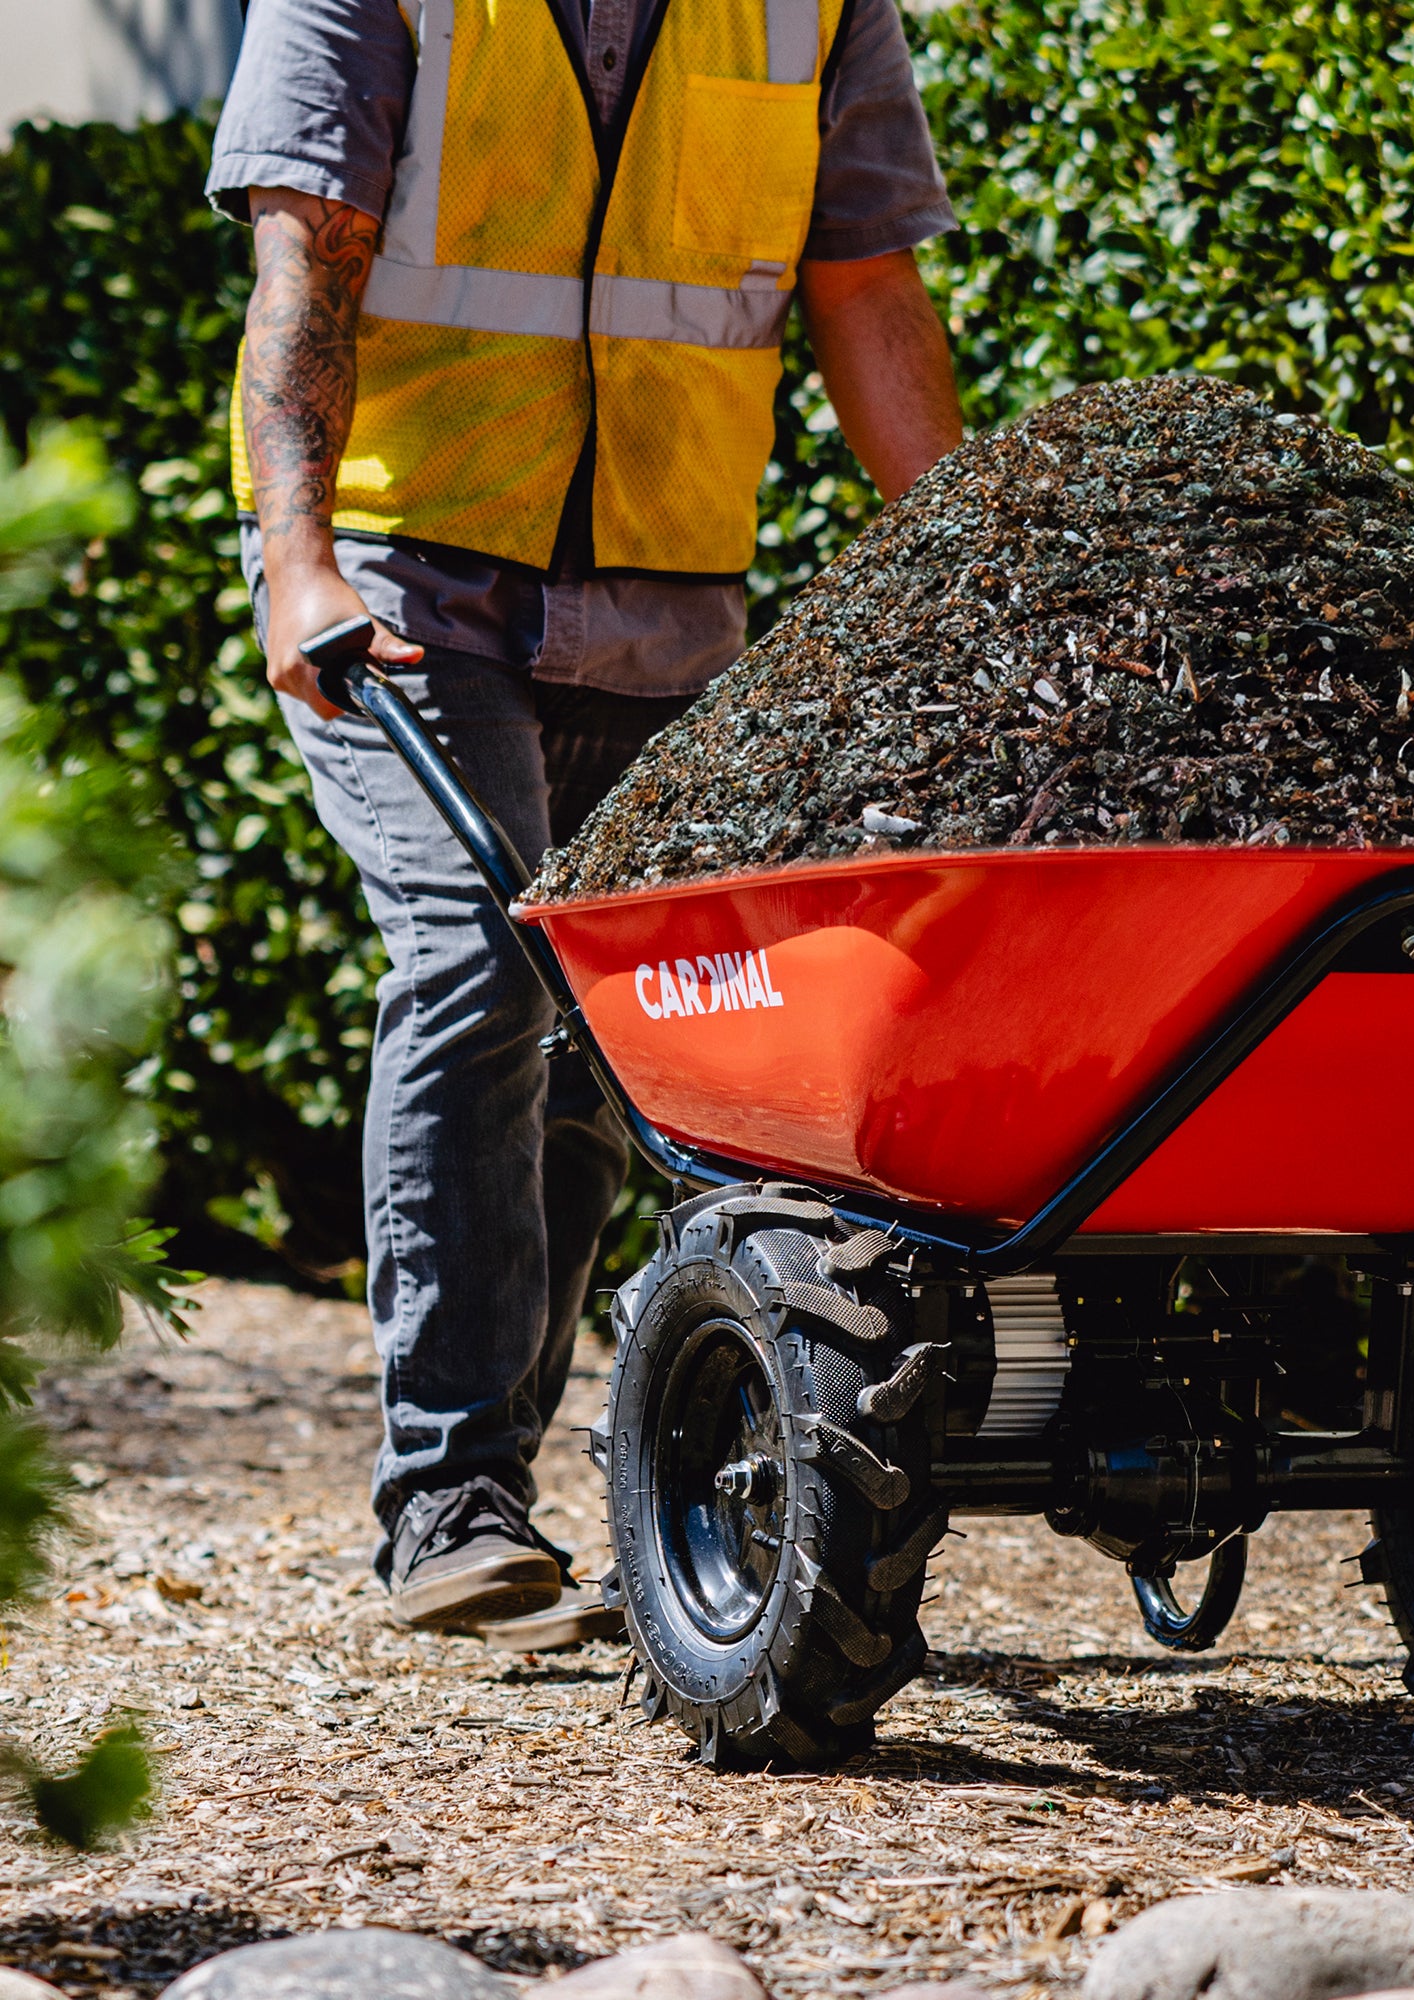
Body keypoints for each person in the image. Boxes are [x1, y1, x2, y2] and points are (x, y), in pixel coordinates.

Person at [205, 0, 964, 1648]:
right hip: (404, 584)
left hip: (665, 598)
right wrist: (300, 559)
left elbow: (865, 287)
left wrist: (975, 587)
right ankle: (450, 1498)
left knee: (603, 1042)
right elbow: (307, 261)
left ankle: (540, 1483)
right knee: (478, 960)